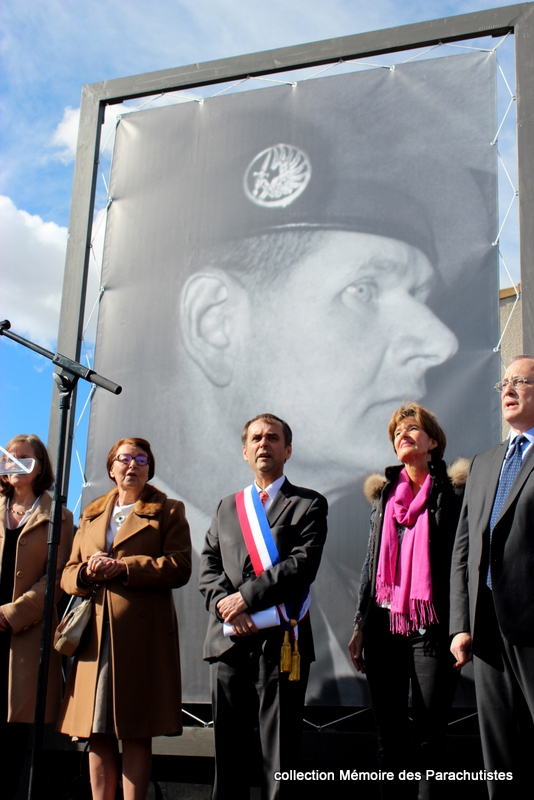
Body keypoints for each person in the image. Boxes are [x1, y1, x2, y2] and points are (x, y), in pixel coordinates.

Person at [199, 413, 328, 799]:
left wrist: (247, 600)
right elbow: (208, 564)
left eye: (272, 438)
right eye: (256, 438)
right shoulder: (226, 507)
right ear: (244, 451)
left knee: (280, 756)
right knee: (229, 753)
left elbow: (302, 564)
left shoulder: (309, 504)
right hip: (229, 644)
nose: (263, 444)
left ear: (287, 450)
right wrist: (227, 605)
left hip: (281, 643)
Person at [57, 437, 192, 800]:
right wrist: (86, 573)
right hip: (95, 638)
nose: (133, 465)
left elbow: (180, 567)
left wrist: (124, 567)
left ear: (150, 468)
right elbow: (67, 575)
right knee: (95, 729)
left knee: (135, 729)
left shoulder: (170, 510)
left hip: (142, 636)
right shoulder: (90, 514)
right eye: (125, 458)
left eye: (141, 459)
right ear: (111, 467)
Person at [348, 403, 468, 798]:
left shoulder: (453, 495)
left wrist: (460, 625)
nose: (403, 434)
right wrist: (360, 626)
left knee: (430, 739)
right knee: (390, 739)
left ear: (433, 441)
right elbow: (371, 566)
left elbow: (461, 562)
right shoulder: (385, 498)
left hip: (432, 629)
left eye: (412, 428)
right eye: (397, 431)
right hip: (384, 629)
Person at [450, 355, 534, 798]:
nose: (509, 388)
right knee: (499, 758)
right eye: (504, 382)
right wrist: (461, 624)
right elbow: (464, 551)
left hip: (532, 625)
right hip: (486, 633)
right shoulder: (484, 463)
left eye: (521, 381)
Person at [0, 433, 73, 799]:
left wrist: (10, 614)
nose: (13, 463)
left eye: (23, 457)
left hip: (24, 641)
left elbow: (56, 578)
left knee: (13, 743)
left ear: (40, 466)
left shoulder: (59, 517)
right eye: (9, 456)